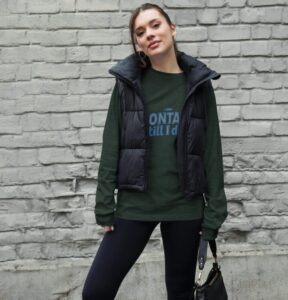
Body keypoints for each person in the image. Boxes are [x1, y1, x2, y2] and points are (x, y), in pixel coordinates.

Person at [82, 3, 228, 300]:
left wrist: (214, 213)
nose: (149, 34)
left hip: (185, 207)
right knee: (96, 291)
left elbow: (212, 151)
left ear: (172, 28)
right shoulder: (127, 84)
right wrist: (104, 202)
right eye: (140, 32)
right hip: (135, 205)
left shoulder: (198, 86)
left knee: (180, 292)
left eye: (155, 25)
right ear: (137, 43)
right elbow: (112, 143)